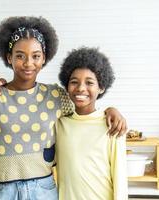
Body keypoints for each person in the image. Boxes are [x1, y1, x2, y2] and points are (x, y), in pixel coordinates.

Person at [0, 16, 127, 200]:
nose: (28, 63)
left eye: (36, 56)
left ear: (44, 59)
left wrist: (111, 109)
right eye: (19, 55)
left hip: (44, 191)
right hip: (2, 192)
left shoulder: (55, 97)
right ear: (8, 57)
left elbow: (84, 104)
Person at [55, 47, 128, 200]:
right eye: (74, 82)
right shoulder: (59, 124)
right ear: (67, 86)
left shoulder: (112, 126)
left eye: (89, 82)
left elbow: (120, 179)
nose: (81, 88)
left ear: (101, 87)